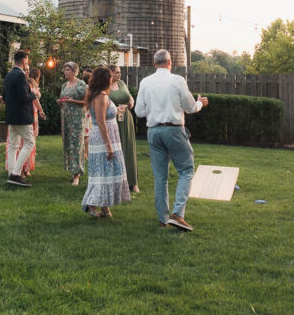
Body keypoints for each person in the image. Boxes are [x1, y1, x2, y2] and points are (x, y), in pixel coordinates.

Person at [135, 49, 208, 231]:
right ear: (170, 62)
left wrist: (155, 109)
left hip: (154, 131)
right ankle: (177, 214)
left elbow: (139, 111)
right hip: (174, 129)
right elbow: (190, 107)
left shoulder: (145, 82)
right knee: (186, 170)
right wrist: (200, 102)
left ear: (154, 63)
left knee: (160, 177)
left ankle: (163, 219)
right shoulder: (177, 80)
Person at [80, 67, 131, 218]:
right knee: (103, 171)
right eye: (109, 77)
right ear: (105, 80)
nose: (111, 80)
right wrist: (109, 146)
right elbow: (101, 122)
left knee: (106, 171)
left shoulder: (99, 95)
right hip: (103, 138)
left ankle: (105, 208)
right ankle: (92, 204)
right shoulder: (101, 97)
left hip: (107, 136)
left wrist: (117, 110)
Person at [4, 50, 36, 187]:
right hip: (22, 116)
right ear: (23, 60)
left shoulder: (9, 75)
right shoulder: (20, 75)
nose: (27, 62)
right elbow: (24, 97)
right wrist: (33, 94)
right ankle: (16, 174)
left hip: (11, 115)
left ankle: (11, 173)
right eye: (27, 60)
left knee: (13, 145)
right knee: (30, 142)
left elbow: (5, 96)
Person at [107, 64, 139, 193]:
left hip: (126, 118)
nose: (119, 74)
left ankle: (133, 182)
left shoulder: (122, 84)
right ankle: (117, 181)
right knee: (116, 149)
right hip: (112, 120)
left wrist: (131, 103)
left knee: (129, 148)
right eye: (116, 72)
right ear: (109, 73)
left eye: (119, 72)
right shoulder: (105, 87)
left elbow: (130, 98)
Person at [9, 68, 46, 177]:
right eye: (26, 70)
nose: (27, 72)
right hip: (26, 114)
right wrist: (40, 109)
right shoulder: (24, 82)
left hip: (31, 114)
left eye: (28, 70)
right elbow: (30, 97)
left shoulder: (28, 82)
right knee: (26, 143)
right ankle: (18, 170)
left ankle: (22, 169)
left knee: (24, 143)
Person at [57, 61, 88, 185]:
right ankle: (72, 170)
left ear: (74, 71)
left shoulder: (81, 84)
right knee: (68, 144)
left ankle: (77, 174)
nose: (65, 72)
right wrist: (61, 102)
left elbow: (87, 101)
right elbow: (64, 101)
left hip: (77, 119)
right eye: (65, 70)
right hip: (66, 118)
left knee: (76, 144)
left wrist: (73, 101)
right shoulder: (65, 85)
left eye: (68, 70)